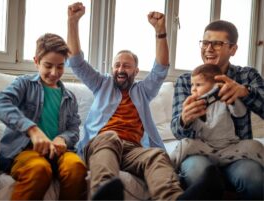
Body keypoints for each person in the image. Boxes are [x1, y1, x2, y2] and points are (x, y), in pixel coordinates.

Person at [67, 2, 224, 200]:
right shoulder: (100, 84)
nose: (121, 69)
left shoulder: (143, 90)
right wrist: (72, 21)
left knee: (156, 155)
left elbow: (160, 68)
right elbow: (76, 62)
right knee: (110, 137)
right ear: (112, 69)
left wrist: (160, 31)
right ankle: (103, 195)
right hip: (103, 144)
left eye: (127, 65)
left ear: (135, 70)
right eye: (117, 65)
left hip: (134, 149)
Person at [171, 20, 264, 200]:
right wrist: (184, 119)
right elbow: (177, 131)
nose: (209, 48)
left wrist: (245, 92)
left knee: (254, 178)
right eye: (205, 43)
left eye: (217, 43)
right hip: (200, 151)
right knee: (198, 175)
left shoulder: (247, 75)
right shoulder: (187, 81)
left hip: (235, 152)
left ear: (233, 49)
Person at [0, 33, 87, 200]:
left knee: (77, 167)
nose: (54, 72)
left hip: (59, 153)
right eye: (48, 65)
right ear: (36, 61)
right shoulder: (24, 84)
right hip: (25, 151)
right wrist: (32, 130)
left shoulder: (69, 97)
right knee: (39, 170)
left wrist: (63, 139)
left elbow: (73, 128)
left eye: (60, 67)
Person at [170, 63, 264, 169]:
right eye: (192, 85)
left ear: (216, 84)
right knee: (185, 144)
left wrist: (232, 101)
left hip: (230, 146)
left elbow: (240, 113)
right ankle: (168, 169)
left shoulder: (225, 96)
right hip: (206, 147)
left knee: (255, 145)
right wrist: (191, 119)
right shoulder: (195, 105)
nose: (193, 89)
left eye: (198, 85)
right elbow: (195, 130)